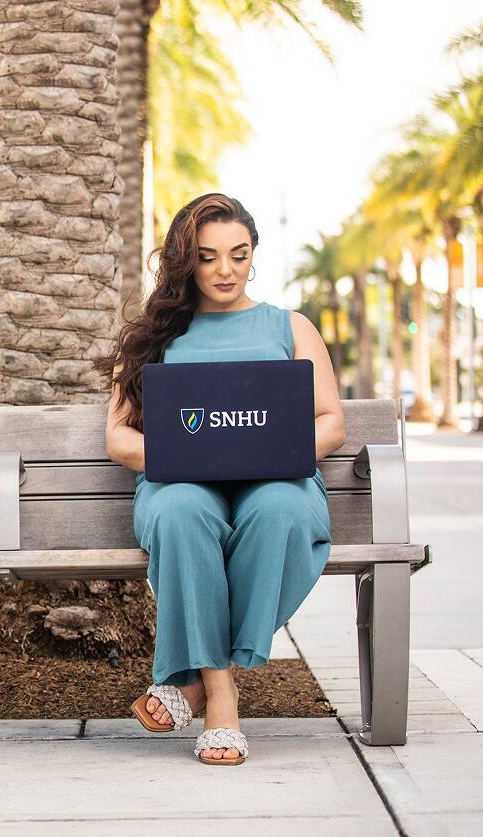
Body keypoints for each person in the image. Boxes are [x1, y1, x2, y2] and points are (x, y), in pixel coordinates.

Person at [99, 193, 343, 766]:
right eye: (208, 257)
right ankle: (222, 694)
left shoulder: (290, 327)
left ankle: (194, 686)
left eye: (239, 253)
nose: (225, 270)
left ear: (254, 253)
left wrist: (270, 449)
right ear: (188, 262)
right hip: (182, 483)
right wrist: (187, 454)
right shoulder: (152, 339)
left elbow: (331, 421)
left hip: (277, 479)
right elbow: (118, 437)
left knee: (280, 512)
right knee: (180, 514)